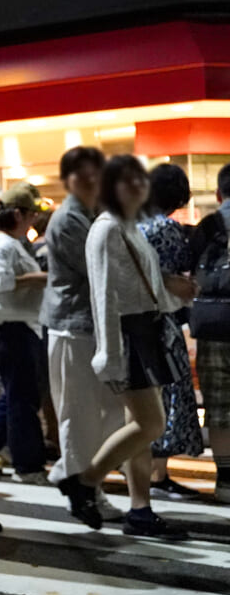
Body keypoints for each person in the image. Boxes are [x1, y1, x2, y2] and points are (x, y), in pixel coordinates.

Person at [59, 155, 187, 540]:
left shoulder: (126, 226)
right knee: (151, 424)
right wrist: (109, 357)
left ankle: (139, 508)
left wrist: (175, 297)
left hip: (143, 332)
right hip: (126, 337)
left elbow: (143, 289)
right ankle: (85, 481)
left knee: (141, 426)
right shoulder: (107, 229)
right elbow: (103, 298)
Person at [41, 147, 124, 519]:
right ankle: (81, 488)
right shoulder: (67, 220)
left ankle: (77, 477)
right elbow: (100, 269)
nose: (91, 179)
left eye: (96, 172)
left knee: (105, 412)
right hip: (71, 326)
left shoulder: (93, 215)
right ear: (68, 179)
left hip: (90, 326)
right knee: (79, 412)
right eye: (82, 174)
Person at [0, 183, 50, 484]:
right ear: (18, 214)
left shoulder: (9, 243)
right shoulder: (4, 245)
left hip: (14, 325)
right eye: (32, 214)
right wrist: (37, 278)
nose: (34, 220)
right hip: (10, 326)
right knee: (22, 397)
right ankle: (28, 465)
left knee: (14, 395)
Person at [139, 164, 204, 498]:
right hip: (161, 323)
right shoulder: (165, 228)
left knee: (145, 397)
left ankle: (149, 473)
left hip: (135, 321)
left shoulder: (132, 225)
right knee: (169, 394)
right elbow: (182, 271)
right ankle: (157, 473)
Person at [190, 161, 230, 504]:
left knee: (218, 408)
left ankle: (226, 480)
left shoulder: (208, 226)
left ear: (219, 194)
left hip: (214, 328)